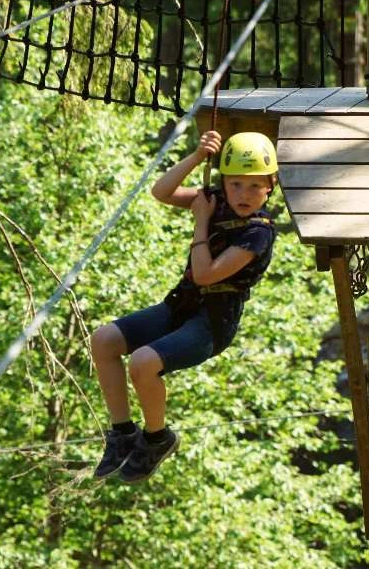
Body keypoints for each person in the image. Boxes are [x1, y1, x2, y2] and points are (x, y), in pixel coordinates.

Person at [90, 130, 278, 483]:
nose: (244, 194)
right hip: (180, 306)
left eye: (255, 186)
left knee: (143, 362)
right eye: (236, 184)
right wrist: (196, 156)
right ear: (224, 183)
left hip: (211, 322)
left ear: (270, 187)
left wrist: (201, 221)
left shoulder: (259, 233)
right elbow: (161, 192)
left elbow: (206, 274)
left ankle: (157, 438)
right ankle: (122, 432)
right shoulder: (215, 198)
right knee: (103, 340)